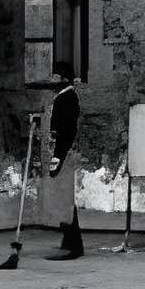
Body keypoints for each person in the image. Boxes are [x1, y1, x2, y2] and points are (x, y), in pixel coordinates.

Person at [46, 76, 84, 259]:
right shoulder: (64, 97)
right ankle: (69, 239)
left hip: (63, 151)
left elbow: (66, 130)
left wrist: (58, 155)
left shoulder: (66, 98)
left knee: (64, 196)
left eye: (55, 75)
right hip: (62, 150)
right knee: (62, 196)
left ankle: (73, 243)